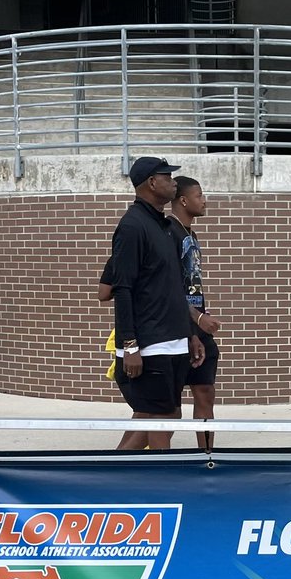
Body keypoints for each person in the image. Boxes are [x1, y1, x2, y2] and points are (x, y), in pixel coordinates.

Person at [100, 157, 204, 450]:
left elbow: (173, 290)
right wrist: (130, 346)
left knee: (166, 415)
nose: (173, 182)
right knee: (159, 420)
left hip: (174, 341)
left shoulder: (163, 227)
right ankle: (163, 482)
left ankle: (113, 474)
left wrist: (190, 333)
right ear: (151, 183)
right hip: (149, 346)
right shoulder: (132, 226)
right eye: (167, 177)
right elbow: (120, 289)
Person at [169, 176, 222, 451]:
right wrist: (195, 321)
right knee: (169, 406)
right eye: (200, 196)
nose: (205, 201)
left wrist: (202, 315)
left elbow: (191, 284)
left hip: (198, 326)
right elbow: (167, 288)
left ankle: (207, 454)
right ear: (183, 200)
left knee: (205, 391)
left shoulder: (191, 234)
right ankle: (153, 456)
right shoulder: (169, 233)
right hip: (177, 328)